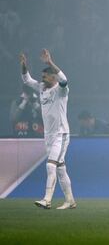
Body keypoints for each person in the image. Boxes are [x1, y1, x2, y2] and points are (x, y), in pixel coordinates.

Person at [19, 50, 76, 209]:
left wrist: (50, 62)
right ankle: (70, 200)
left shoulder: (61, 90)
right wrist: (24, 65)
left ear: (53, 77)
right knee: (60, 168)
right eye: (42, 77)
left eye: (45, 77)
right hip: (48, 136)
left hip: (61, 134)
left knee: (51, 165)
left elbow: (65, 79)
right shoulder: (41, 88)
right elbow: (26, 79)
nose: (42, 79)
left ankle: (47, 199)